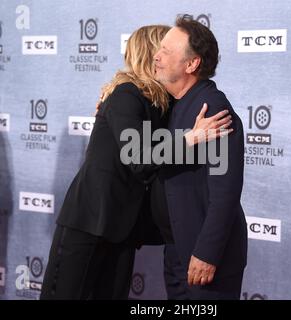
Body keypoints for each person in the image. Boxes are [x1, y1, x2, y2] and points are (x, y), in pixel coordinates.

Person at [40, 25, 232, 300]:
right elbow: (139, 156)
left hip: (122, 229)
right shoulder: (125, 95)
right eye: (163, 49)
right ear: (151, 53)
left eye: (170, 51)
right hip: (90, 223)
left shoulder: (163, 103)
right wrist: (192, 138)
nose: (164, 57)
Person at [151, 16, 248, 300]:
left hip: (202, 261)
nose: (156, 56)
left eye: (166, 51)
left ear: (192, 64)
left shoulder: (212, 109)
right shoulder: (178, 104)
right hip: (178, 253)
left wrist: (206, 253)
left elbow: (225, 191)